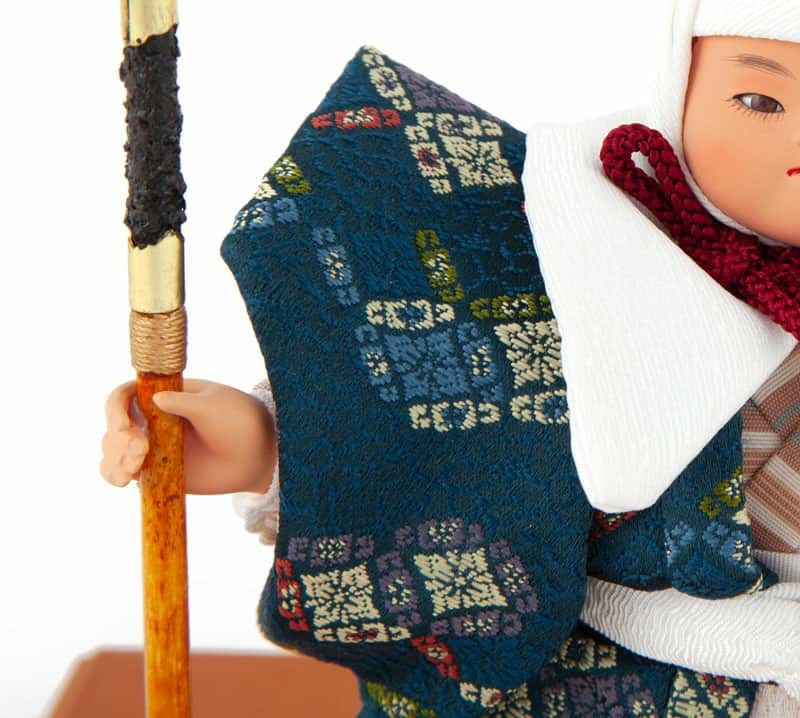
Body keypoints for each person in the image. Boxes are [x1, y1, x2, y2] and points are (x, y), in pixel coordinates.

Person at [101, 0, 800, 714]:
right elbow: (437, 423)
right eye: (759, 101)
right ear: (679, 84)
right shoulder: (580, 252)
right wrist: (266, 446)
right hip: (598, 677)